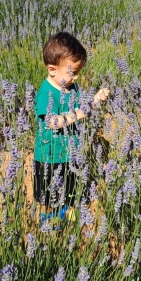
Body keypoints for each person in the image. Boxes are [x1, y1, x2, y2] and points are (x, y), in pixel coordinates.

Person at [33, 32, 110, 225]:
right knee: (49, 195)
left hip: (70, 153)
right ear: (52, 70)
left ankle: (68, 217)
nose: (76, 78)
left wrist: (96, 99)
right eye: (72, 73)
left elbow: (82, 107)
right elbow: (53, 122)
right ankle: (49, 222)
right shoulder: (46, 93)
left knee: (69, 189)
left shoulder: (71, 87)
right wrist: (78, 115)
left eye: (78, 73)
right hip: (49, 156)